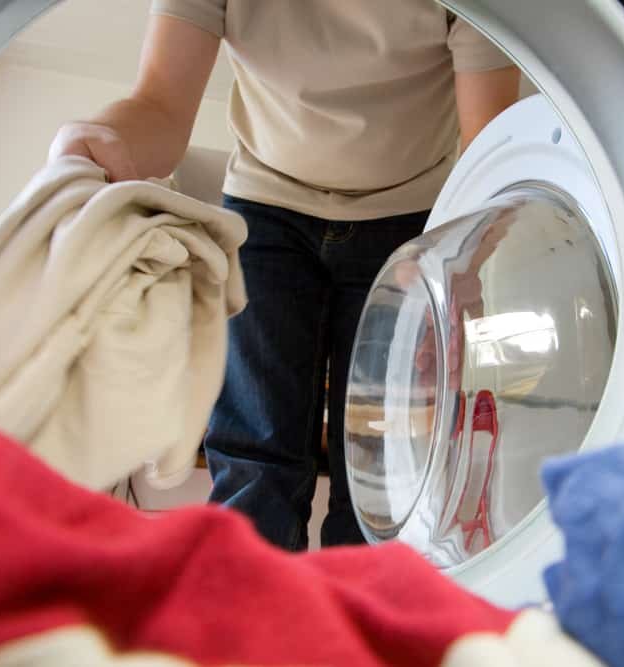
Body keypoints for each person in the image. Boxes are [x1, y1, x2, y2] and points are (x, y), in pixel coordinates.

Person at [49, 0, 520, 551]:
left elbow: (486, 150)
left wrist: (467, 271)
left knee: (383, 461)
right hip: (264, 210)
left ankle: (355, 622)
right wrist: (96, 142)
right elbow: (159, 105)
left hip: (409, 221)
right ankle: (248, 619)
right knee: (253, 450)